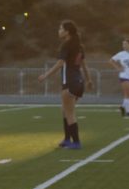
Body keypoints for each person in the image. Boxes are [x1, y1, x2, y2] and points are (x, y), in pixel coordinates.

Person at [38, 20, 92, 149]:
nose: (59, 31)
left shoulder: (66, 45)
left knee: (69, 113)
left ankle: (76, 142)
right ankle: (67, 139)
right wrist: (89, 80)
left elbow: (60, 63)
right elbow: (84, 65)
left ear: (67, 32)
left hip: (70, 83)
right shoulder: (79, 46)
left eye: (61, 29)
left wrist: (45, 75)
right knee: (65, 111)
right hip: (79, 82)